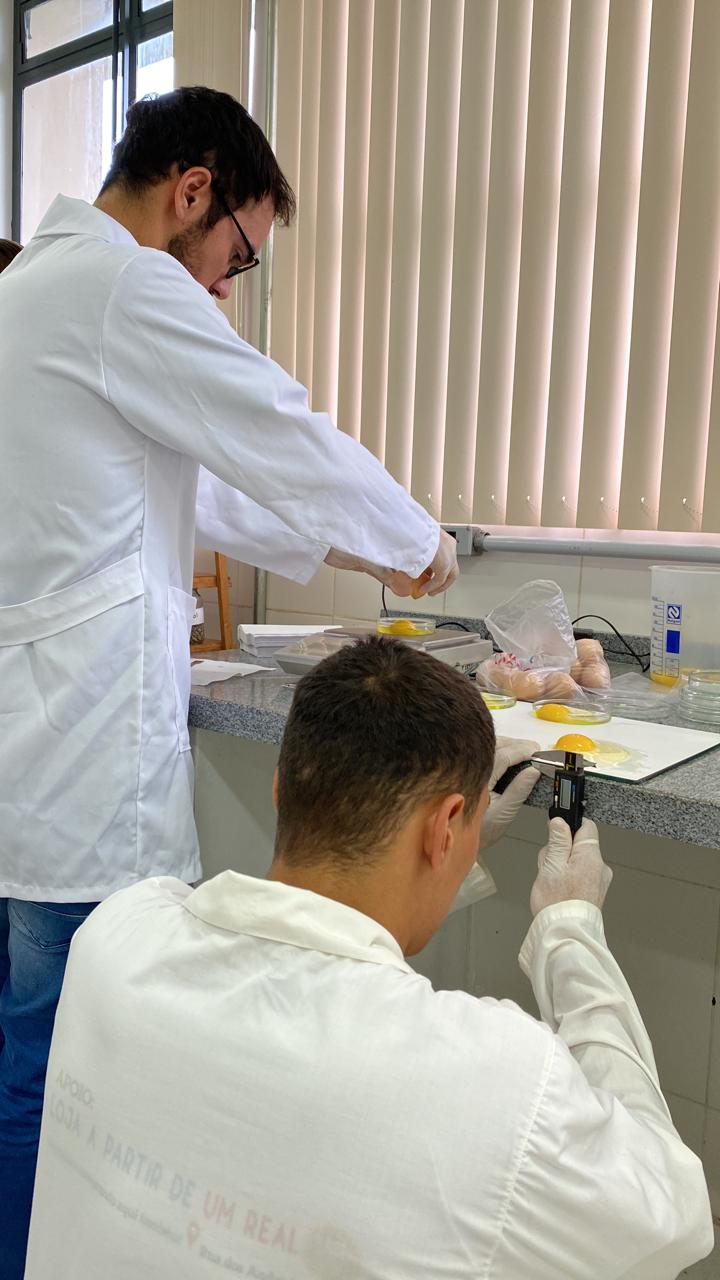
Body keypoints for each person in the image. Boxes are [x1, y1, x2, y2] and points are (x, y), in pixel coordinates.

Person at [0, 86, 458, 1276]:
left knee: (29, 1066)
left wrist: (363, 546)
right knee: (53, 1081)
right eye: (238, 255)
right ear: (193, 189)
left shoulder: (34, 291)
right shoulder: (123, 286)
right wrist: (419, 540)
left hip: (32, 759)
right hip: (76, 773)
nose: (226, 287)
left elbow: (199, 484)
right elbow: (273, 425)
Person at [25, 638, 712, 1279]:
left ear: (281, 786)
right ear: (445, 827)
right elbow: (671, 1218)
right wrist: (571, 934)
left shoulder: (117, 934)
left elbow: (316, 928)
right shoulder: (491, 1079)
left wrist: (449, 858)